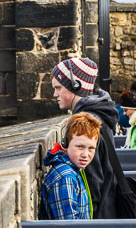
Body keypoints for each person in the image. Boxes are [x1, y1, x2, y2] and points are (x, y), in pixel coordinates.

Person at [51, 57, 119, 218]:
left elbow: (92, 180)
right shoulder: (101, 113)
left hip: (98, 215)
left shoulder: (85, 123)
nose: (55, 94)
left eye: (59, 88)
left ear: (75, 86)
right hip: (109, 206)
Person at [40, 112, 101, 219]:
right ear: (65, 145)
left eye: (91, 148)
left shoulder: (73, 171)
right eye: (80, 147)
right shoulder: (66, 178)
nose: (85, 154)